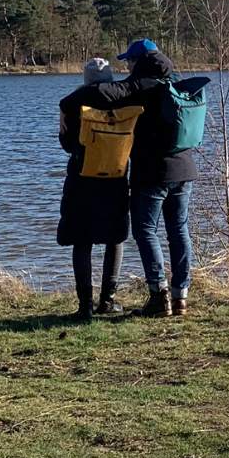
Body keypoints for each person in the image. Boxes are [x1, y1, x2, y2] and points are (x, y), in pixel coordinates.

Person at [93, 39, 200, 317]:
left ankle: (158, 295)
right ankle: (181, 297)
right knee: (178, 230)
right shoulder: (176, 80)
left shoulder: (142, 83)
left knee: (145, 231)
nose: (126, 66)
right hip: (184, 168)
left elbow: (109, 93)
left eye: (128, 61)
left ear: (138, 60)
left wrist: (89, 87)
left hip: (152, 172)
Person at [55, 58, 139, 322]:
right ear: (110, 77)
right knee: (116, 237)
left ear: (86, 79)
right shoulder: (127, 99)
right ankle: (108, 300)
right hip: (115, 177)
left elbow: (67, 144)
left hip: (81, 179)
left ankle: (84, 306)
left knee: (82, 240)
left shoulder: (69, 102)